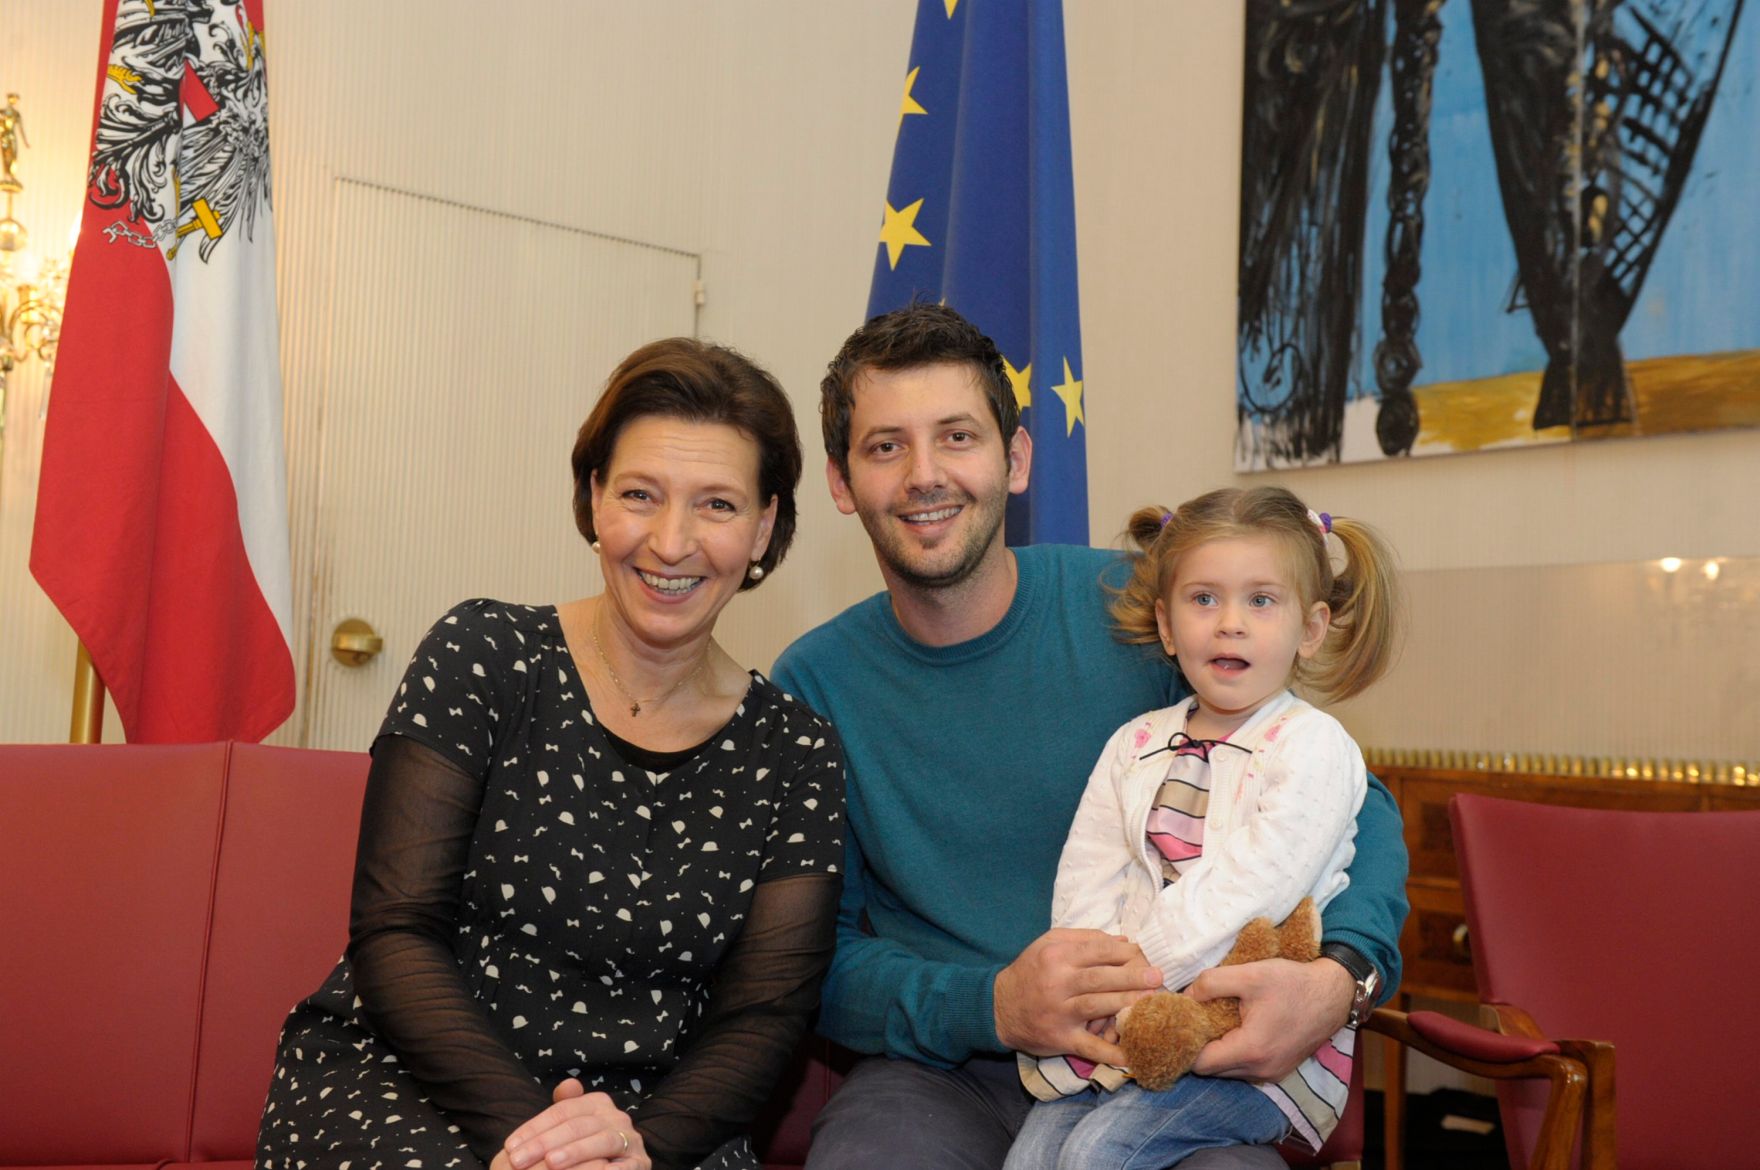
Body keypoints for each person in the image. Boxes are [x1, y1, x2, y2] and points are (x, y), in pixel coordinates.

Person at [770, 303, 1408, 1170]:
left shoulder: (1140, 609)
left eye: (957, 437)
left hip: (1173, 1055)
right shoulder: (815, 684)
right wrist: (992, 1004)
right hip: (941, 1075)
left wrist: (1341, 981)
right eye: (886, 447)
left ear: (1016, 459)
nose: (925, 475)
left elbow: (1347, 806)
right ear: (842, 483)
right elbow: (814, 963)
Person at [257, 339, 845, 1170]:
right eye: (640, 494)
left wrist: (635, 1148)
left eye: (717, 505)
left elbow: (764, 1017)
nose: (671, 541)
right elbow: (397, 930)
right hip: (415, 1084)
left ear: (764, 527)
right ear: (594, 497)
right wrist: (544, 1144)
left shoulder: (797, 751)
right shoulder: (484, 655)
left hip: (654, 1129)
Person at [1007, 487, 1401, 1169]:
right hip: (1124, 1026)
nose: (1230, 624)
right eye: (1204, 599)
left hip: (1249, 1048)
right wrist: (1095, 985)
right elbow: (1088, 873)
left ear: (1311, 629)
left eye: (1261, 600)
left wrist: (1141, 974)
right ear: (1166, 625)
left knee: (1097, 1153)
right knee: (1031, 1157)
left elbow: (1259, 882)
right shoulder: (1134, 742)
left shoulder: (1314, 745)